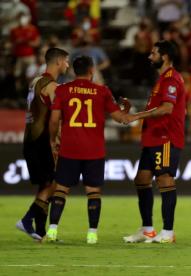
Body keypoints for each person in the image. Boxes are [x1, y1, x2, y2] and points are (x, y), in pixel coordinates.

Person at [45, 56, 130, 244]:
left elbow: (54, 119)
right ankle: (92, 233)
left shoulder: (63, 90)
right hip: (94, 150)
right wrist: (126, 109)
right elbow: (120, 119)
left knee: (61, 189)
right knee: (93, 191)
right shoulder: (102, 91)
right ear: (92, 70)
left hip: (69, 148)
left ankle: (52, 230)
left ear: (74, 71)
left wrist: (53, 139)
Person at [123, 40, 187, 244]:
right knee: (142, 179)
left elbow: (167, 108)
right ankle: (148, 229)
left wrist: (136, 116)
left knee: (164, 180)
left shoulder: (171, 79)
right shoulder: (161, 80)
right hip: (152, 138)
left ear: (165, 56)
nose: (149, 57)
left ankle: (168, 232)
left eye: (153, 53)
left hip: (166, 137)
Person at [16, 47, 69, 241]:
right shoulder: (53, 86)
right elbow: (56, 117)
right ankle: (27, 219)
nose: (67, 65)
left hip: (30, 138)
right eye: (66, 61)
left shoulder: (35, 82)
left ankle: (40, 231)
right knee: (54, 184)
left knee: (45, 184)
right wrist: (56, 140)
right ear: (58, 62)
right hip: (43, 140)